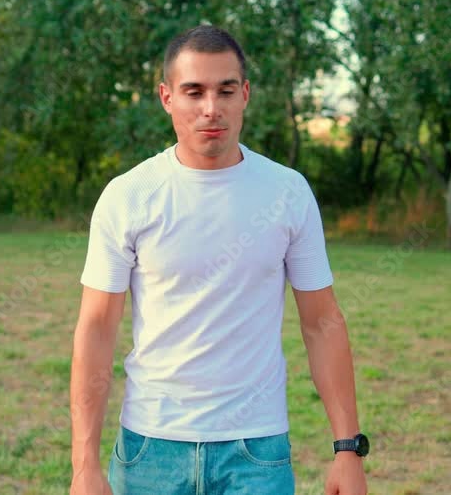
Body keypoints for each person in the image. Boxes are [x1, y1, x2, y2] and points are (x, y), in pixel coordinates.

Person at [69, 24, 369, 495]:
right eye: (194, 92)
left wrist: (347, 449)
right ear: (167, 97)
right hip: (150, 450)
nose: (211, 107)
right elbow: (96, 329)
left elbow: (322, 323)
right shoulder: (128, 196)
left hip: (257, 453)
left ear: (244, 94)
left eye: (225, 90)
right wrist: (84, 465)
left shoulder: (287, 192)